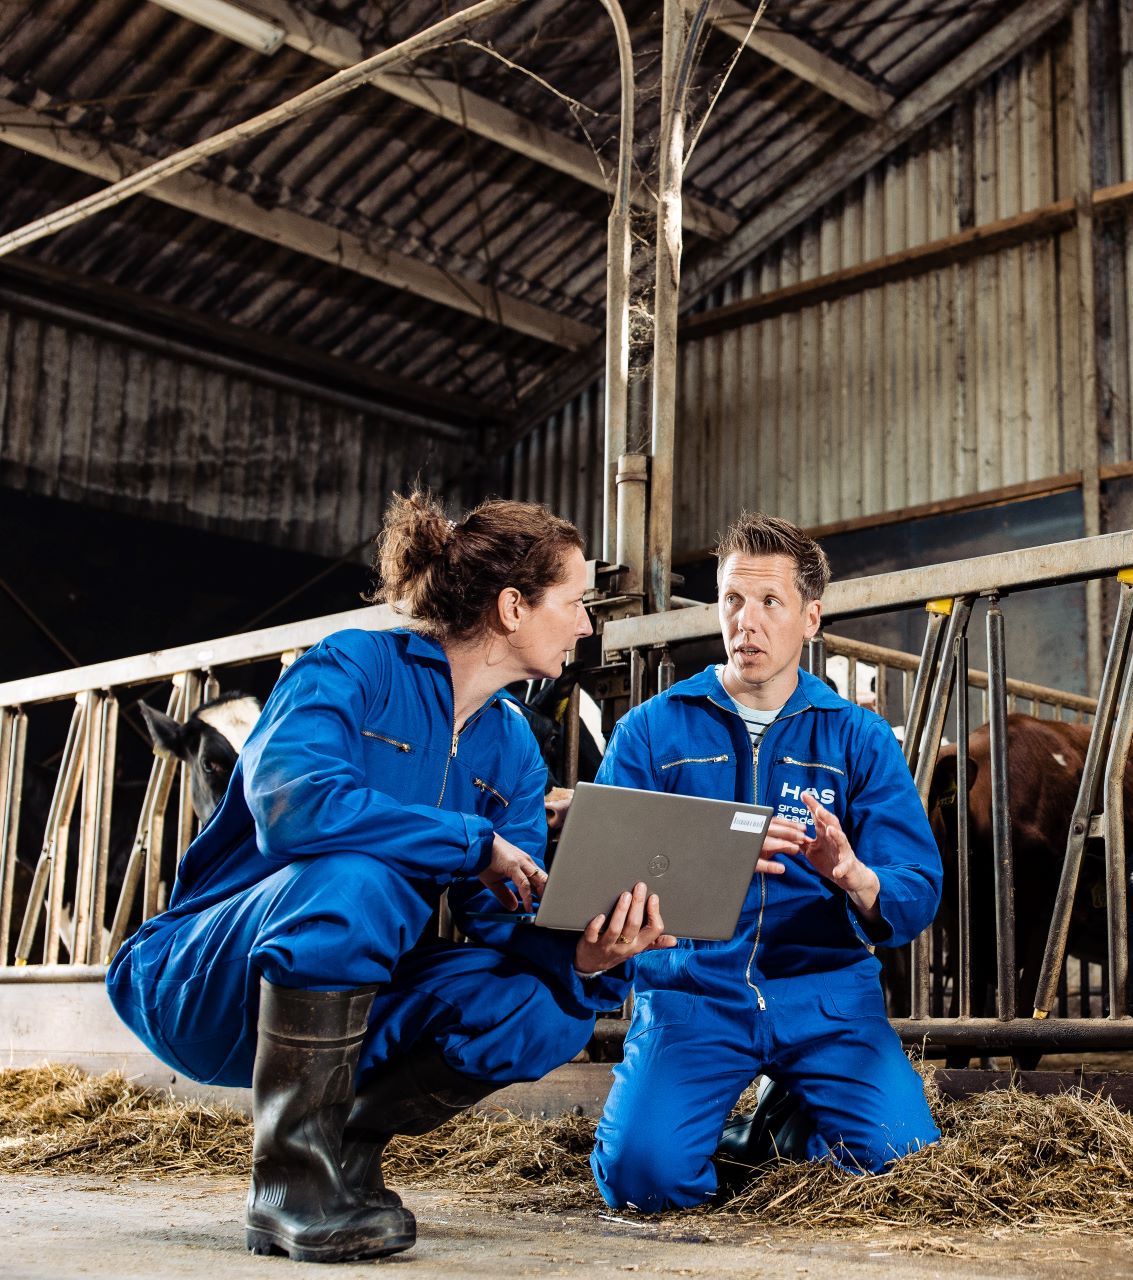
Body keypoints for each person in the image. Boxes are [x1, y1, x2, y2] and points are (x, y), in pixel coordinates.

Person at [107, 493, 674, 1262]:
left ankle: (345, 1153)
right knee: (359, 878)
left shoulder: (512, 750)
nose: (585, 623)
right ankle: (288, 1186)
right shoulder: (355, 665)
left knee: (542, 1009)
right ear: (513, 607)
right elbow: (293, 806)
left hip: (346, 1001)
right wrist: (471, 843)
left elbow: (500, 915)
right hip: (202, 980)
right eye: (574, 603)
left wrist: (585, 956)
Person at [590, 512, 942, 1211]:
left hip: (827, 995)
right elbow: (603, 871)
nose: (745, 621)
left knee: (905, 1166)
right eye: (732, 600)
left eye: (769, 603)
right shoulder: (654, 728)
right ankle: (745, 1118)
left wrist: (852, 873)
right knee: (642, 1181)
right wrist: (710, 855)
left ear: (811, 618)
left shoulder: (857, 736)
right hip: (695, 991)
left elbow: (917, 887)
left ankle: (789, 1113)